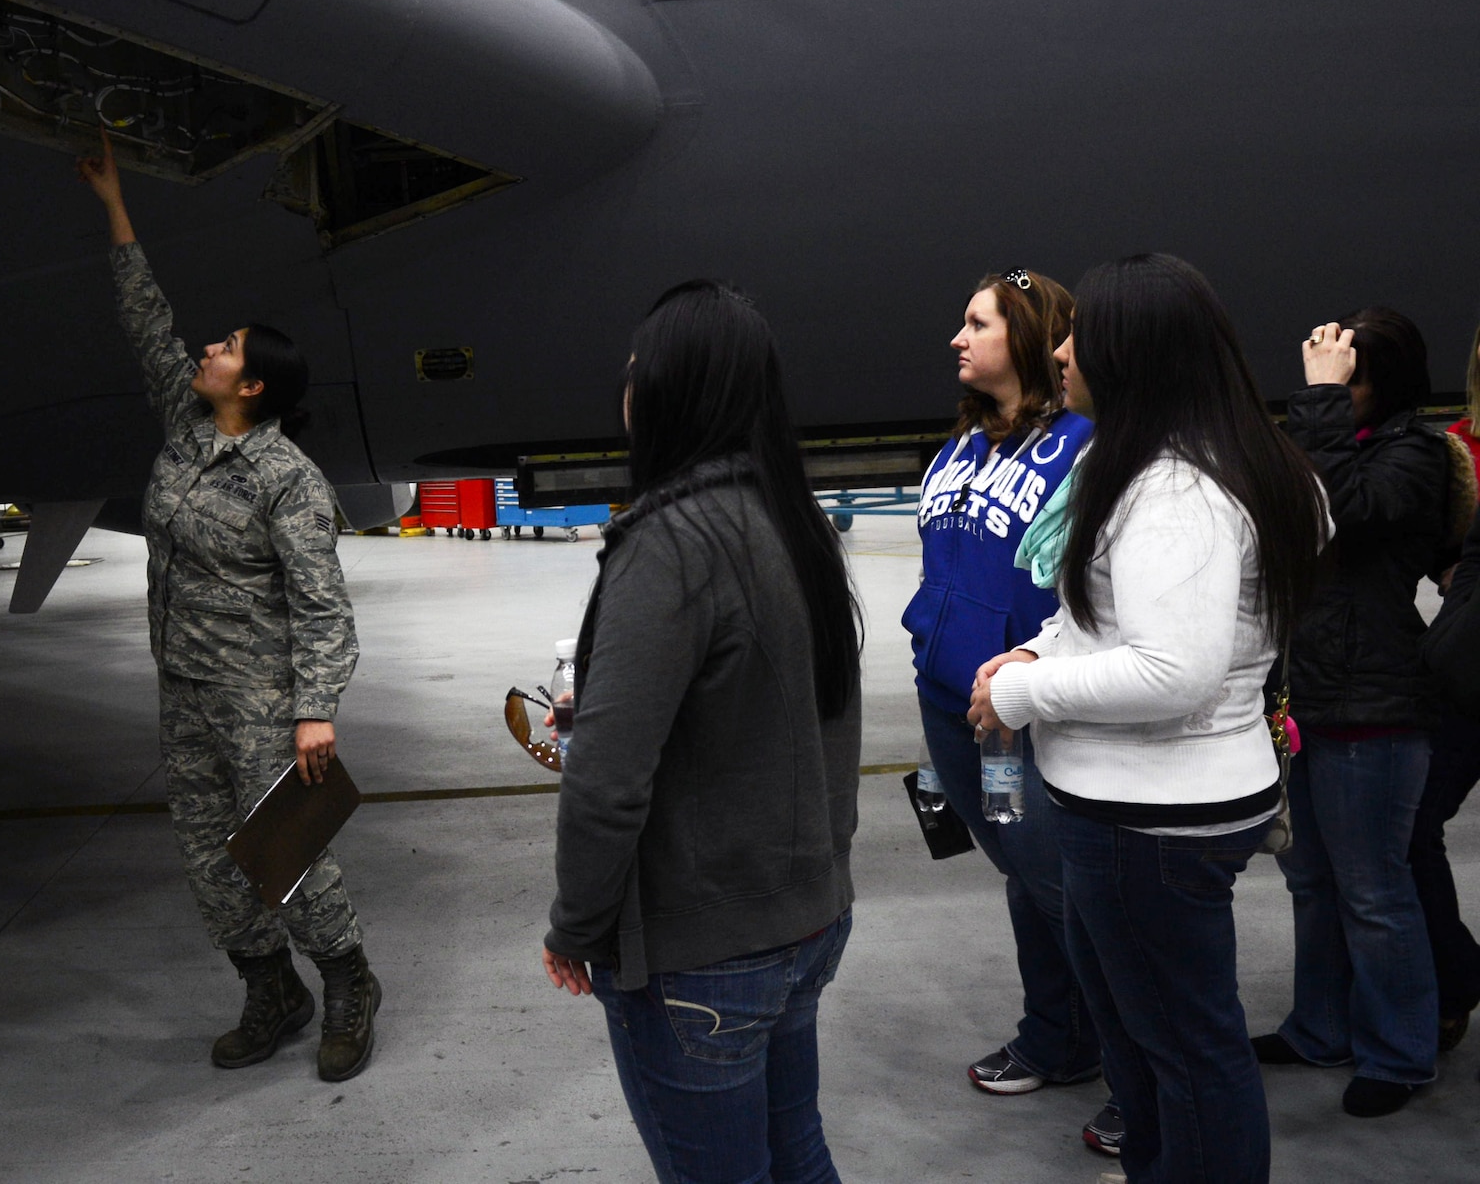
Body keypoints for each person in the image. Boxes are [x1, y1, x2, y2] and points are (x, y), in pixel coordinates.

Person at [969, 254, 1327, 1184]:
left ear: (1137, 352)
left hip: (1152, 825)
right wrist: (1042, 650)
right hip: (1137, 811)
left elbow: (1174, 668)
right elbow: (1114, 619)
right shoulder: (1173, 462)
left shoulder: (1178, 491)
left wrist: (1021, 693)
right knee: (1145, 1041)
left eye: (1083, 332)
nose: (1063, 345)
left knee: (1185, 1052)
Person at [541, 279, 863, 1183]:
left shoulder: (671, 541)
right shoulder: (793, 522)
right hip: (804, 917)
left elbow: (606, 780)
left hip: (702, 953)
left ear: (674, 391)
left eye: (638, 371)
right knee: (796, 1148)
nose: (626, 388)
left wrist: (578, 925)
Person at [76, 131, 380, 1082]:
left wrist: (314, 708)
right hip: (187, 692)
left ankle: (348, 981)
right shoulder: (185, 420)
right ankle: (270, 991)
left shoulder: (284, 477)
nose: (207, 347)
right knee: (212, 864)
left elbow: (324, 604)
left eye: (227, 348)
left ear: (252, 386)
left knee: (283, 856)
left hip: (260, 699)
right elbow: (146, 320)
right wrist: (115, 205)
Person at [901, 269, 1109, 1141]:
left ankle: (1135, 1064)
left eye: (976, 322)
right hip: (954, 708)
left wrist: (1021, 676)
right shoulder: (958, 447)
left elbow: (1089, 588)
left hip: (1027, 707)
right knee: (1026, 876)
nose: (958, 337)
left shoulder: (1085, 447)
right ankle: (1056, 1036)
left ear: (1023, 337)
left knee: (1068, 887)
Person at [1250, 308, 1447, 1116]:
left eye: (1350, 377)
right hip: (1308, 701)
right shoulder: (1334, 440)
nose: (1335, 389)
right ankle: (1320, 1027)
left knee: (1373, 891)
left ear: (1386, 381)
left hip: (1376, 707)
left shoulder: (1417, 454)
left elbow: (1347, 510)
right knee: (1312, 882)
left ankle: (1400, 1054)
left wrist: (1321, 404)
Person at [1412, 325, 1480, 1053]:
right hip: (1467, 675)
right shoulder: (1456, 444)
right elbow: (1444, 556)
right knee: (1412, 826)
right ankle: (1456, 978)